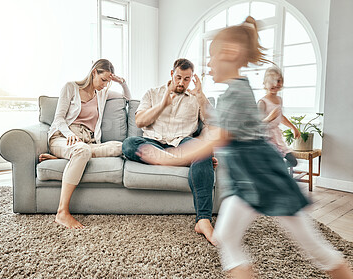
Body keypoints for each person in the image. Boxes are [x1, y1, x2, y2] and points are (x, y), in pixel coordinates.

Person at [136, 17, 353, 279]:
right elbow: (216, 129)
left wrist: (168, 159)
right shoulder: (232, 94)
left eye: (212, 56)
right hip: (246, 184)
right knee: (227, 238)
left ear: (231, 54)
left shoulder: (237, 94)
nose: (208, 63)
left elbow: (216, 139)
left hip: (267, 181)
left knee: (316, 249)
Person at [122, 58, 218, 245]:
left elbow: (213, 124)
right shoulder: (153, 93)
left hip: (182, 143)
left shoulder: (195, 98)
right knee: (129, 144)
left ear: (192, 79)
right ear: (171, 74)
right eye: (178, 77)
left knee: (202, 149)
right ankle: (182, 159)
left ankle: (203, 220)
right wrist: (163, 104)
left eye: (187, 79)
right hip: (153, 142)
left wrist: (200, 95)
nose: (181, 83)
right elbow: (140, 121)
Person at [42, 59, 131, 229]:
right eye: (103, 80)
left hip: (86, 142)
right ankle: (62, 213)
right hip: (63, 137)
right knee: (82, 151)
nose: (105, 85)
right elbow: (59, 119)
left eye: (108, 82)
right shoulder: (70, 87)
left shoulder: (102, 94)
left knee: (120, 146)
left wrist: (121, 82)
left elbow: (128, 99)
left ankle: (65, 157)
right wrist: (70, 135)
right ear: (93, 73)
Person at [257, 66, 299, 167]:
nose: (275, 84)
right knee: (274, 163)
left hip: (277, 136)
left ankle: (277, 171)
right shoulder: (262, 102)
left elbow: (280, 116)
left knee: (293, 161)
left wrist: (293, 127)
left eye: (278, 81)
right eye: (272, 81)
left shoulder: (279, 99)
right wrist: (269, 118)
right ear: (265, 83)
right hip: (267, 138)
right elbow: (257, 125)